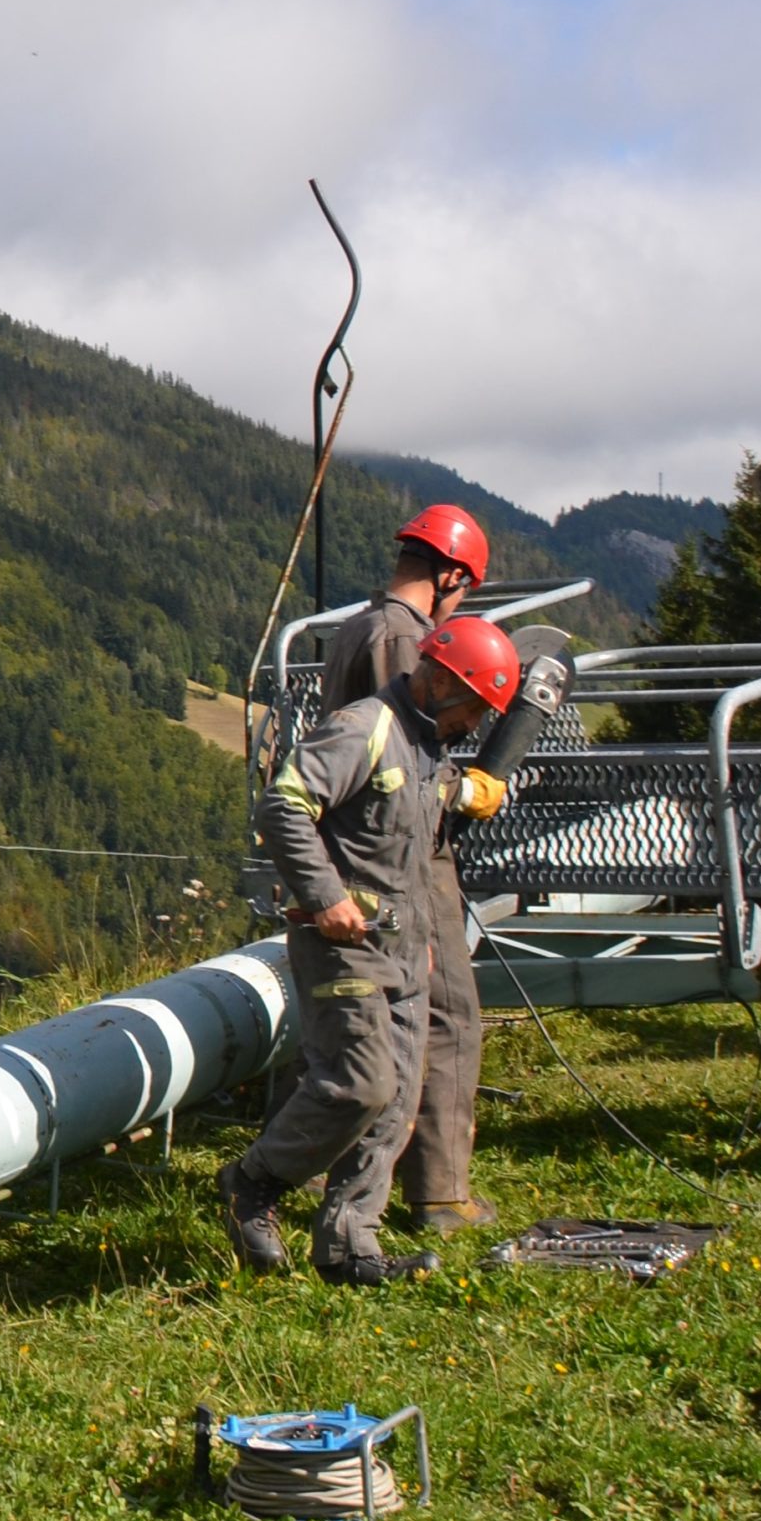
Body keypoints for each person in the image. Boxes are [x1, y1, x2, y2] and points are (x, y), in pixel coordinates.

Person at [221, 616, 519, 1284]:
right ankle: (254, 1181)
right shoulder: (364, 729)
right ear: (441, 680)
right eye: (475, 705)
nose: (475, 722)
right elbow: (284, 806)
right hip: (343, 944)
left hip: (406, 952)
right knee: (361, 1084)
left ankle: (350, 1245)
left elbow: (419, 830)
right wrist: (326, 896)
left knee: (398, 1102)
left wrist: (469, 794)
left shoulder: (429, 748)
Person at [318, 505, 497, 1238]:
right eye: (467, 587)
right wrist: (463, 790)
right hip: (403, 854)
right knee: (445, 1013)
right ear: (451, 573)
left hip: (361, 849)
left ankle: (341, 1182)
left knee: (366, 1017)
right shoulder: (401, 637)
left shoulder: (358, 625)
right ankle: (439, 1193)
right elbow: (406, 751)